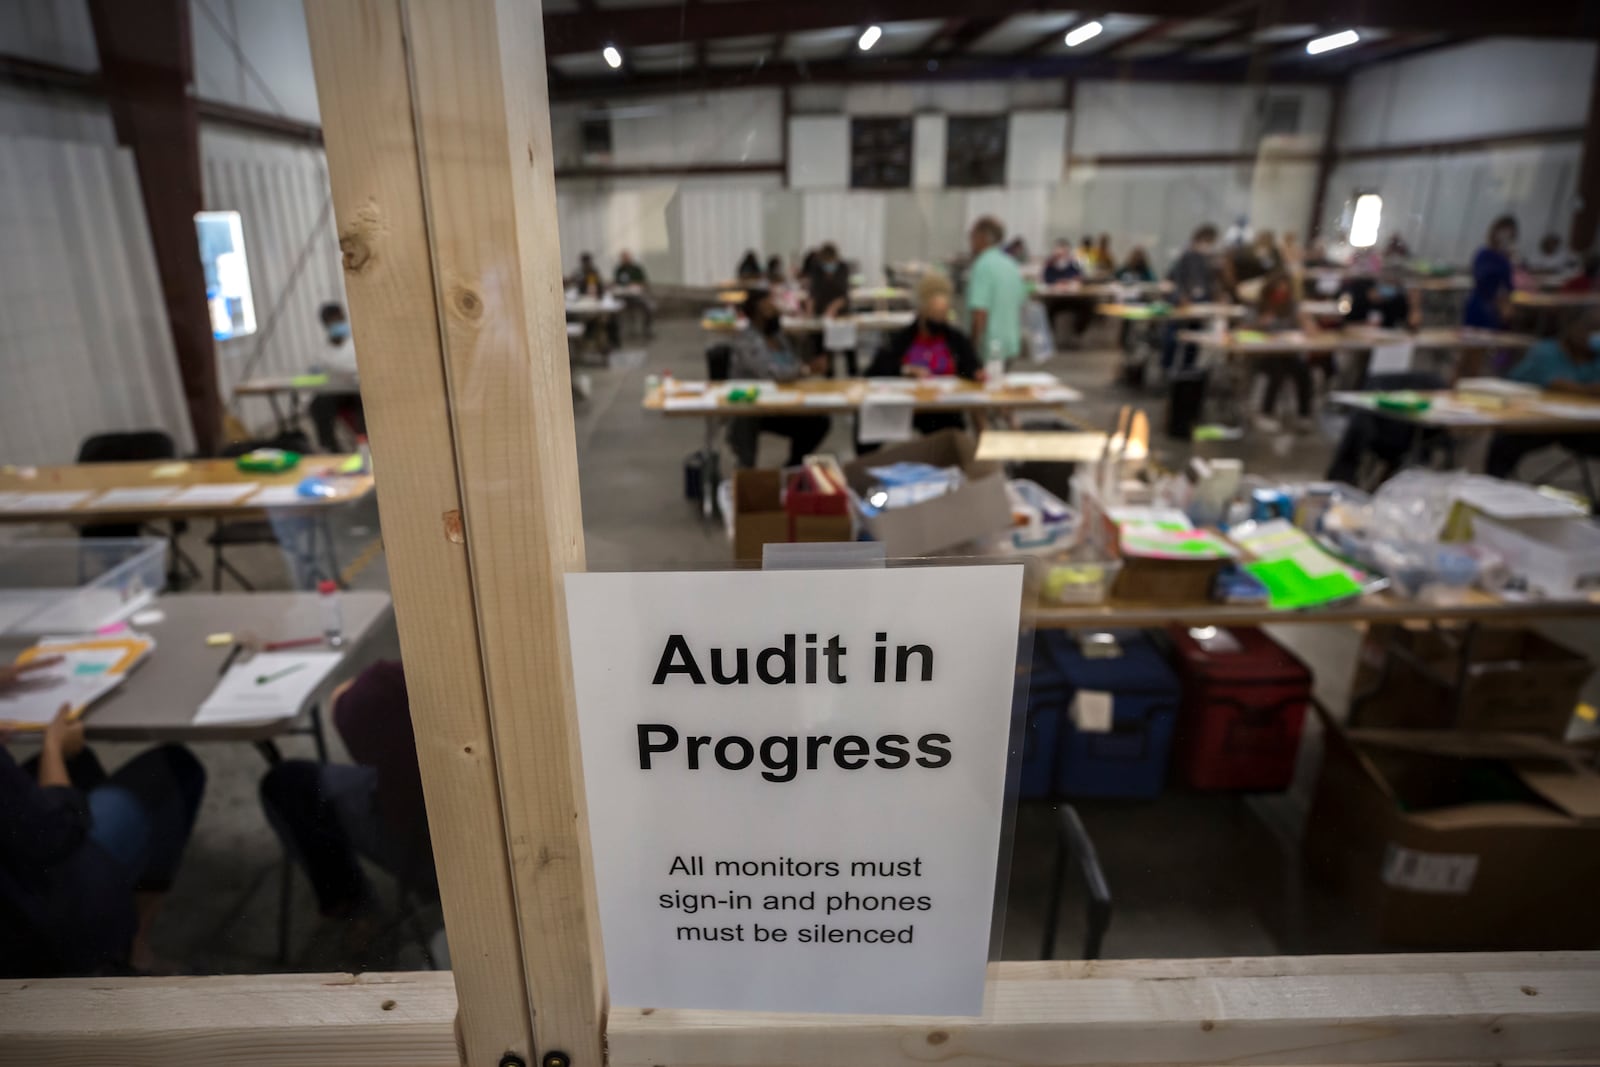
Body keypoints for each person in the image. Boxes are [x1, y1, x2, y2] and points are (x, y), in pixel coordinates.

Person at [2, 664, 206, 977]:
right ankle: (130, 950)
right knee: (175, 769)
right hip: (35, 914)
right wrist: (53, 748)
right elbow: (55, 834)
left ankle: (114, 945)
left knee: (81, 765)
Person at [259, 662, 435, 945]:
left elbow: (350, 700)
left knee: (287, 785)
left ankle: (355, 909)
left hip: (430, 844)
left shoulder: (386, 694)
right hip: (470, 834)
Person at [863, 272, 979, 446]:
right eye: (935, 314)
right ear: (923, 311)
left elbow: (971, 366)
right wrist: (906, 369)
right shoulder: (903, 339)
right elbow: (874, 371)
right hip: (908, 410)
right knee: (869, 417)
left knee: (946, 430)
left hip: (944, 410)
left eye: (943, 314)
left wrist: (976, 373)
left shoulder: (955, 339)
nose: (940, 320)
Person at [1484, 311, 1600, 482]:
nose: (1591, 335)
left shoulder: (1594, 350)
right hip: (1535, 422)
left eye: (1595, 329)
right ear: (1569, 329)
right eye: (1586, 329)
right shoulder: (1546, 352)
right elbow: (1560, 385)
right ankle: (1491, 490)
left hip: (1581, 425)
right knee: (1503, 445)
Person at [727, 290, 830, 467]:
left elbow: (793, 361)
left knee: (818, 422)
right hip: (755, 408)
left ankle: (792, 468)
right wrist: (805, 370)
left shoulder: (778, 337)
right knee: (746, 432)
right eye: (770, 307)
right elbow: (770, 374)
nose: (775, 311)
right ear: (757, 314)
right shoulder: (746, 341)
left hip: (784, 401)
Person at [1249, 269, 1319, 431]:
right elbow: (1244, 329)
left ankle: (1304, 415)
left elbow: (1308, 328)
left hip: (1287, 353)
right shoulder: (1259, 305)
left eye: (1285, 287)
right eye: (1279, 286)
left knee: (1304, 372)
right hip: (1263, 354)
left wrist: (1307, 323)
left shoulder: (1292, 306)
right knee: (1276, 372)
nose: (1282, 290)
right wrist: (1260, 324)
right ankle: (1265, 413)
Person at [1160, 224, 1223, 373]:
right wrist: (1181, 296)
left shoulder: (1208, 258)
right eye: (1208, 240)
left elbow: (1208, 282)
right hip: (1181, 304)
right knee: (1173, 337)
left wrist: (1216, 294)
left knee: (1194, 338)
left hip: (1200, 304)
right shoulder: (1185, 255)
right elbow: (1173, 279)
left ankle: (1187, 370)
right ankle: (1167, 369)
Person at [966, 215, 1027, 364]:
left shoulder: (982, 265)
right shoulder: (1011, 265)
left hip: (989, 348)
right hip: (1010, 344)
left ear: (982, 238)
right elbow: (1020, 303)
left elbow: (980, 311)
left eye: (972, 236)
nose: (970, 242)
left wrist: (971, 348)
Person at [309, 301, 365, 453]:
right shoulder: (324, 351)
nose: (336, 324)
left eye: (339, 319)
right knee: (318, 404)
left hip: (358, 390)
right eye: (332, 321)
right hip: (338, 393)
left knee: (364, 404)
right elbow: (318, 371)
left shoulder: (357, 343)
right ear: (325, 325)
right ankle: (331, 448)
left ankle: (365, 443)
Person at [1464, 215, 1518, 330]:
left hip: (1498, 308)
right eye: (1503, 232)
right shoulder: (1483, 254)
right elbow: (1481, 279)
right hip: (1481, 304)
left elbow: (1509, 285)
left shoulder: (1507, 259)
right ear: (1495, 232)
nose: (1505, 237)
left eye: (1509, 234)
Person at [612, 250, 652, 339]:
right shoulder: (619, 269)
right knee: (612, 310)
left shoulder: (636, 269)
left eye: (627, 258)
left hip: (636, 297)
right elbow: (616, 283)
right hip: (623, 298)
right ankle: (615, 333)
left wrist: (635, 284)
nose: (625, 260)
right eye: (623, 258)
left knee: (648, 307)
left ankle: (647, 330)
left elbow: (644, 283)